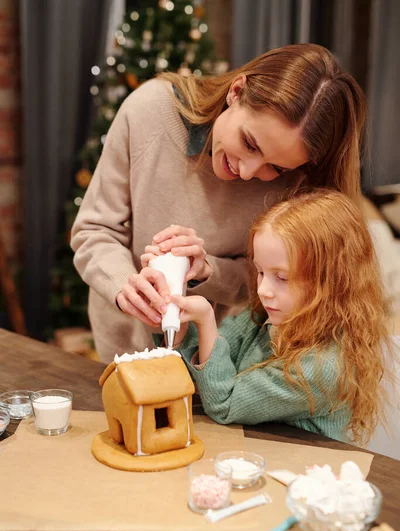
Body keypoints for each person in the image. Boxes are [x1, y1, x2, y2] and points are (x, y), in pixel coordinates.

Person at [71, 43, 366, 363]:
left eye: (275, 168)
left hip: (230, 369)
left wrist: (209, 270)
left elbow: (293, 284)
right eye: (250, 144)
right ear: (236, 91)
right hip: (127, 355)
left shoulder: (300, 180)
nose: (247, 171)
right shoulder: (150, 110)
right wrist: (124, 287)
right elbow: (94, 230)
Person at [161, 190, 389, 444]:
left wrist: (204, 319)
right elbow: (204, 377)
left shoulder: (324, 368)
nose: (263, 290)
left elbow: (224, 403)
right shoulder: (267, 316)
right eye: (260, 272)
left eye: (281, 277)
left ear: (331, 282)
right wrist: (173, 302)